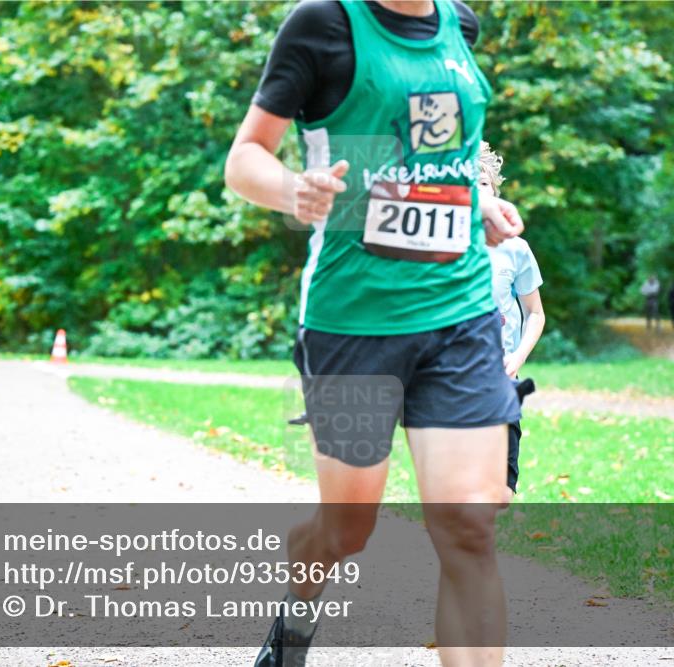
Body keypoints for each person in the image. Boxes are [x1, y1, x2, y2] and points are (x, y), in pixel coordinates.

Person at [225, 2, 525, 665]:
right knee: (347, 528)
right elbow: (245, 158)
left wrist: (478, 201)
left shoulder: (461, 27)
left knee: (468, 525)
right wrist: (291, 191)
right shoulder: (323, 25)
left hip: (461, 314)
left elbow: (440, 151)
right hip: (353, 323)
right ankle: (296, 620)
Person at [478, 142, 545, 504]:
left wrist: (517, 359)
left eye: (484, 183)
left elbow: (536, 313)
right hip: (454, 380)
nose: (477, 189)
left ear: (496, 192)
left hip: (503, 379)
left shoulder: (515, 248)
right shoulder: (445, 246)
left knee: (502, 493)